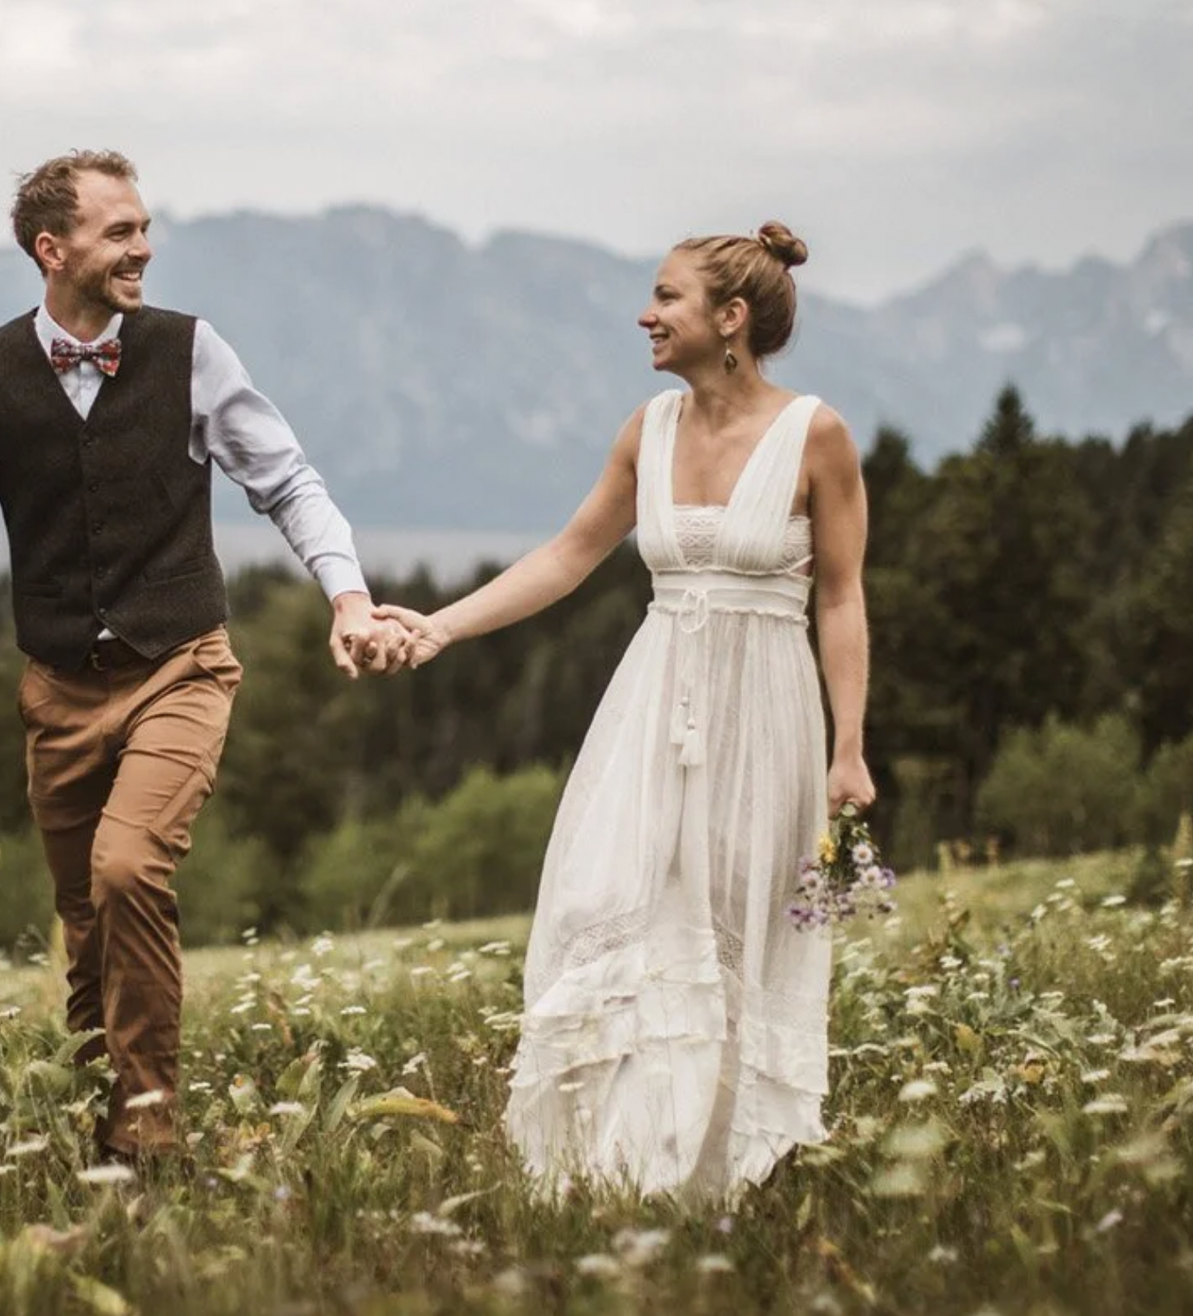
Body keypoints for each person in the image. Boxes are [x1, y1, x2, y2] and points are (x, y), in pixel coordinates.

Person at [0, 149, 397, 1166]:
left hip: (180, 665)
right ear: (53, 250)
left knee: (129, 870)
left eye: (143, 226)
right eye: (120, 231)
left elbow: (288, 482)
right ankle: (97, 1125)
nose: (145, 246)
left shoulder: (191, 351)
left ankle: (148, 1122)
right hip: (54, 688)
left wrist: (345, 593)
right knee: (85, 924)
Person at [375, 223, 875, 1197]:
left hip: (765, 716)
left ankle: (723, 1178)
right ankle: (615, 1171)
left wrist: (848, 747)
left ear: (729, 318)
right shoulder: (645, 429)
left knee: (737, 929)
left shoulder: (815, 434)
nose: (645, 315)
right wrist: (437, 629)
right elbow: (566, 556)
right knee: (617, 911)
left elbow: (842, 598)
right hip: (651, 708)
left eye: (666, 297)